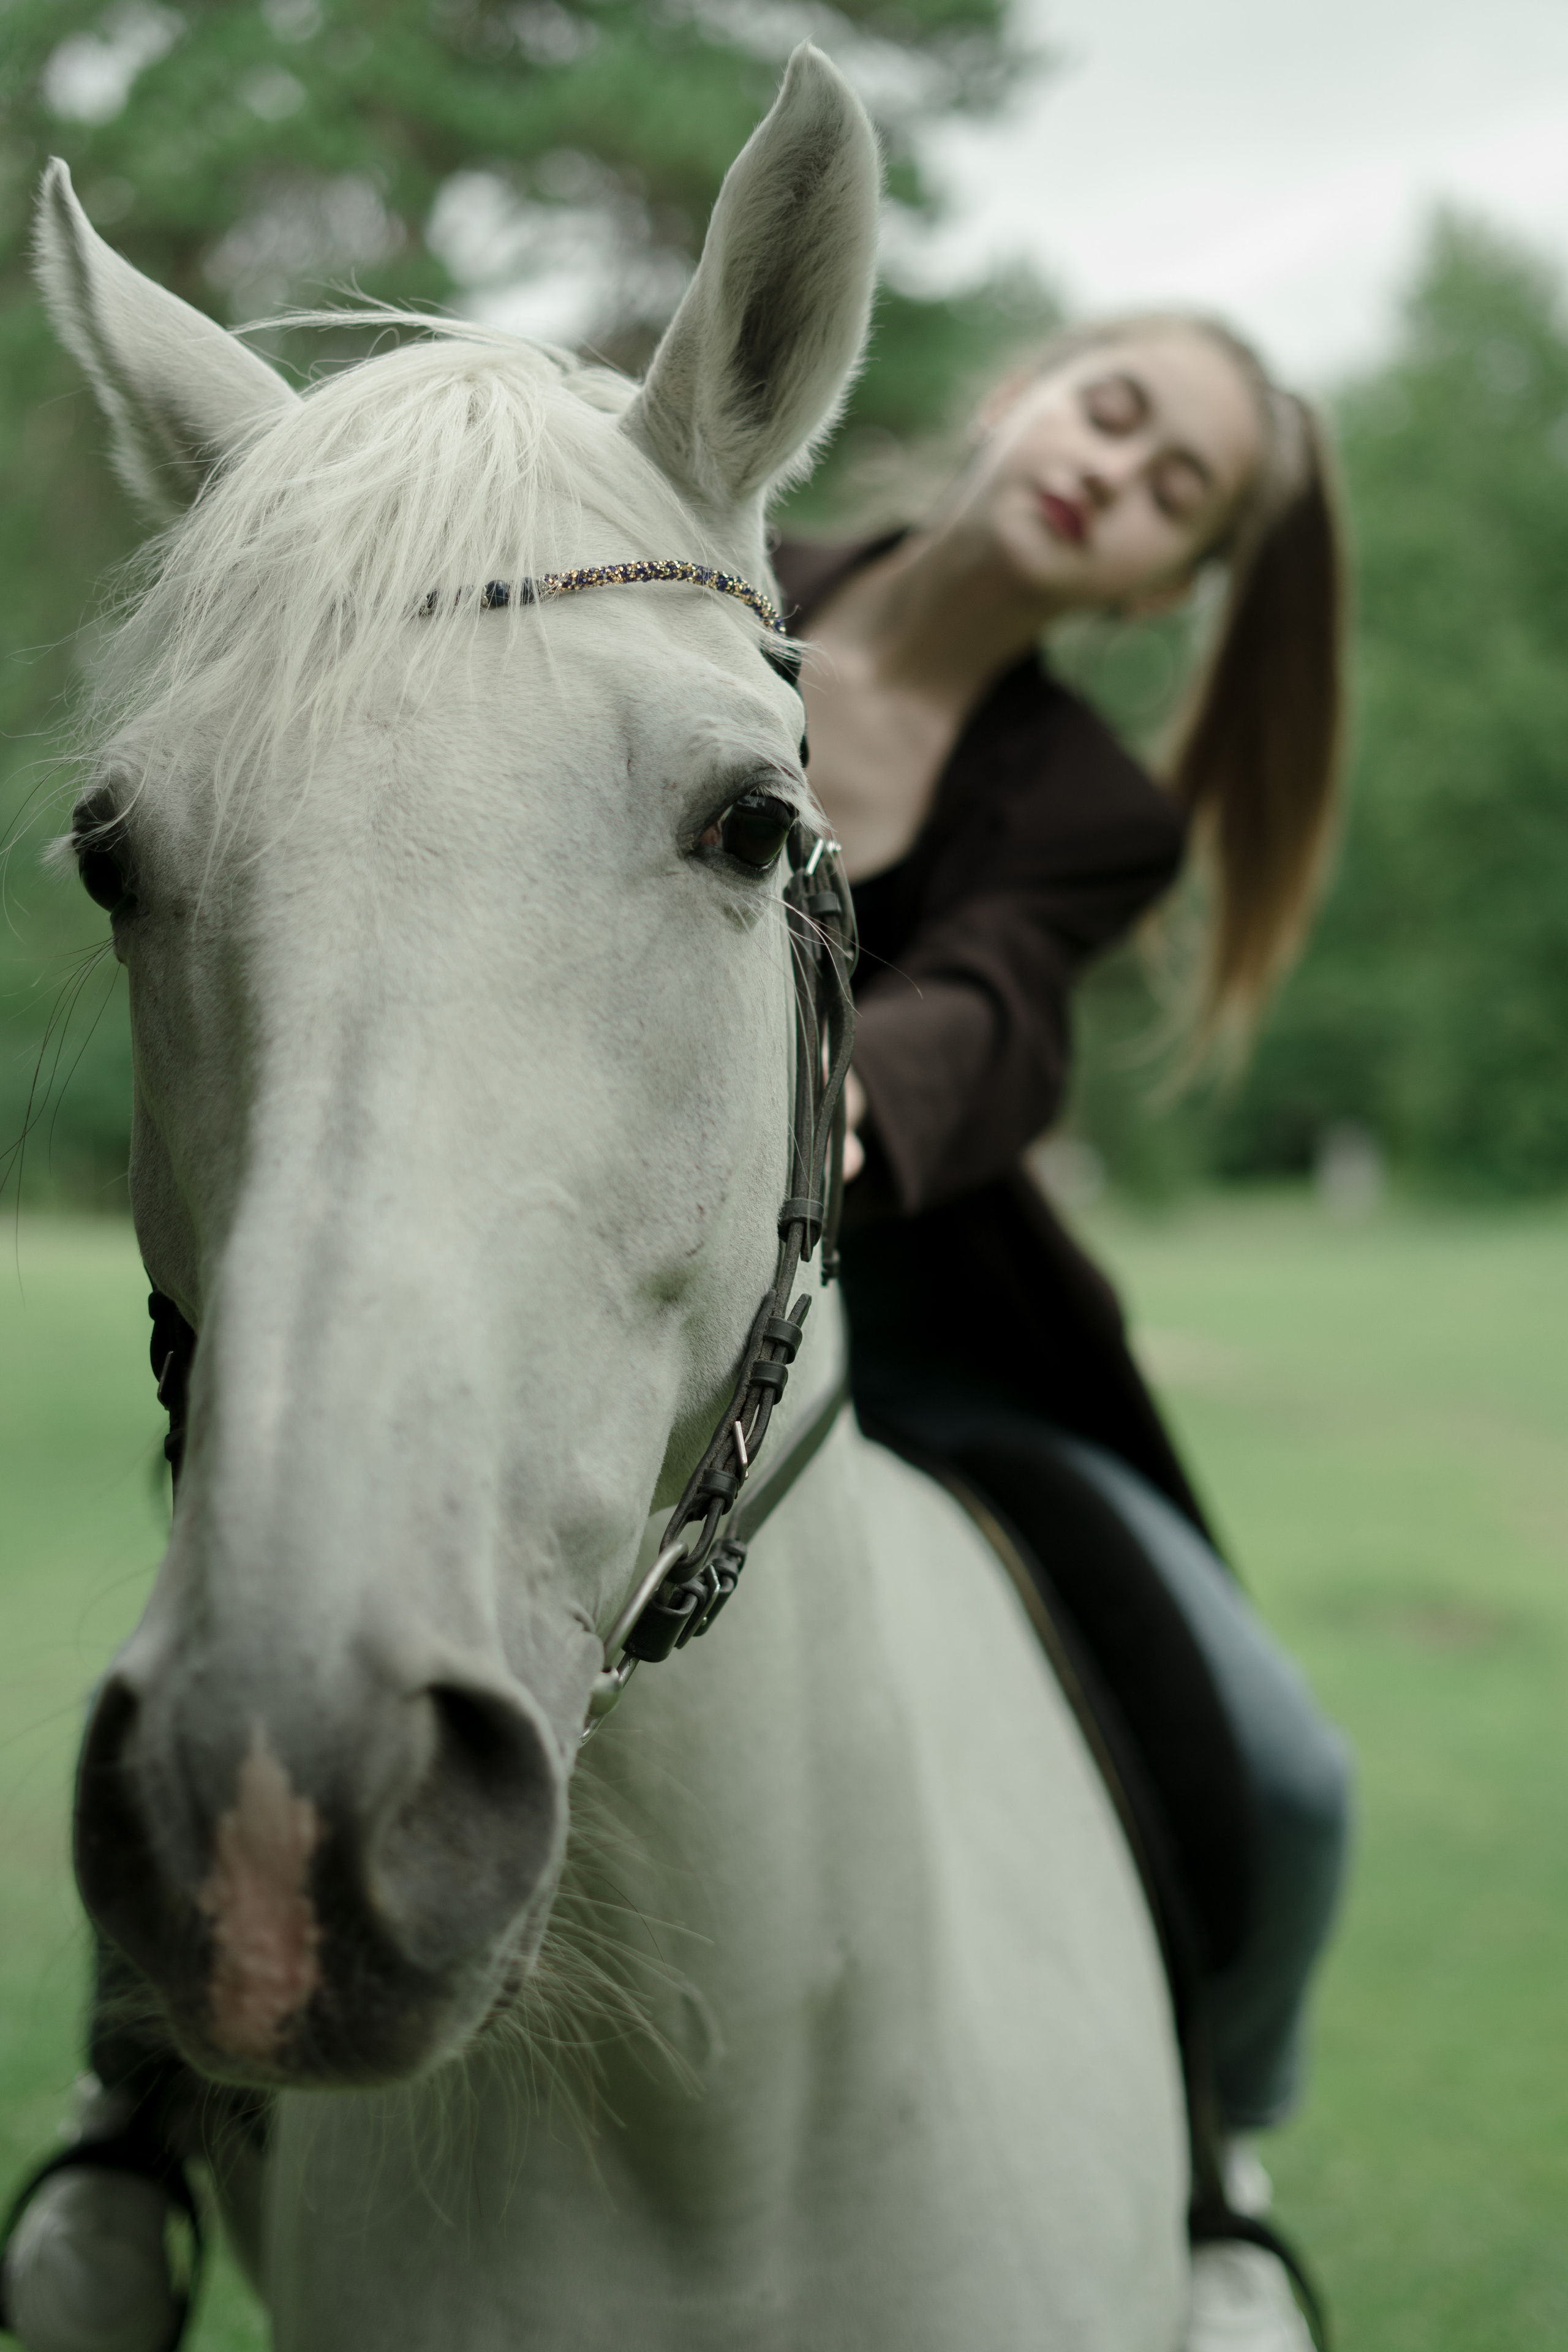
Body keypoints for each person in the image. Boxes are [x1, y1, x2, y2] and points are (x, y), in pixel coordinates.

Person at [772, 314, 1351, 2174]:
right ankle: (135, 2104)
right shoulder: (704, 574)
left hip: (941, 1353)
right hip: (620, 1298)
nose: (1114, 473)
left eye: (1175, 492)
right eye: (1114, 411)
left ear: (1165, 584)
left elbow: (1000, 1008)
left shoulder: (1099, 813)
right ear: (1024, 385)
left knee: (1291, 1783)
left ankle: (1222, 2166)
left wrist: (846, 1095)